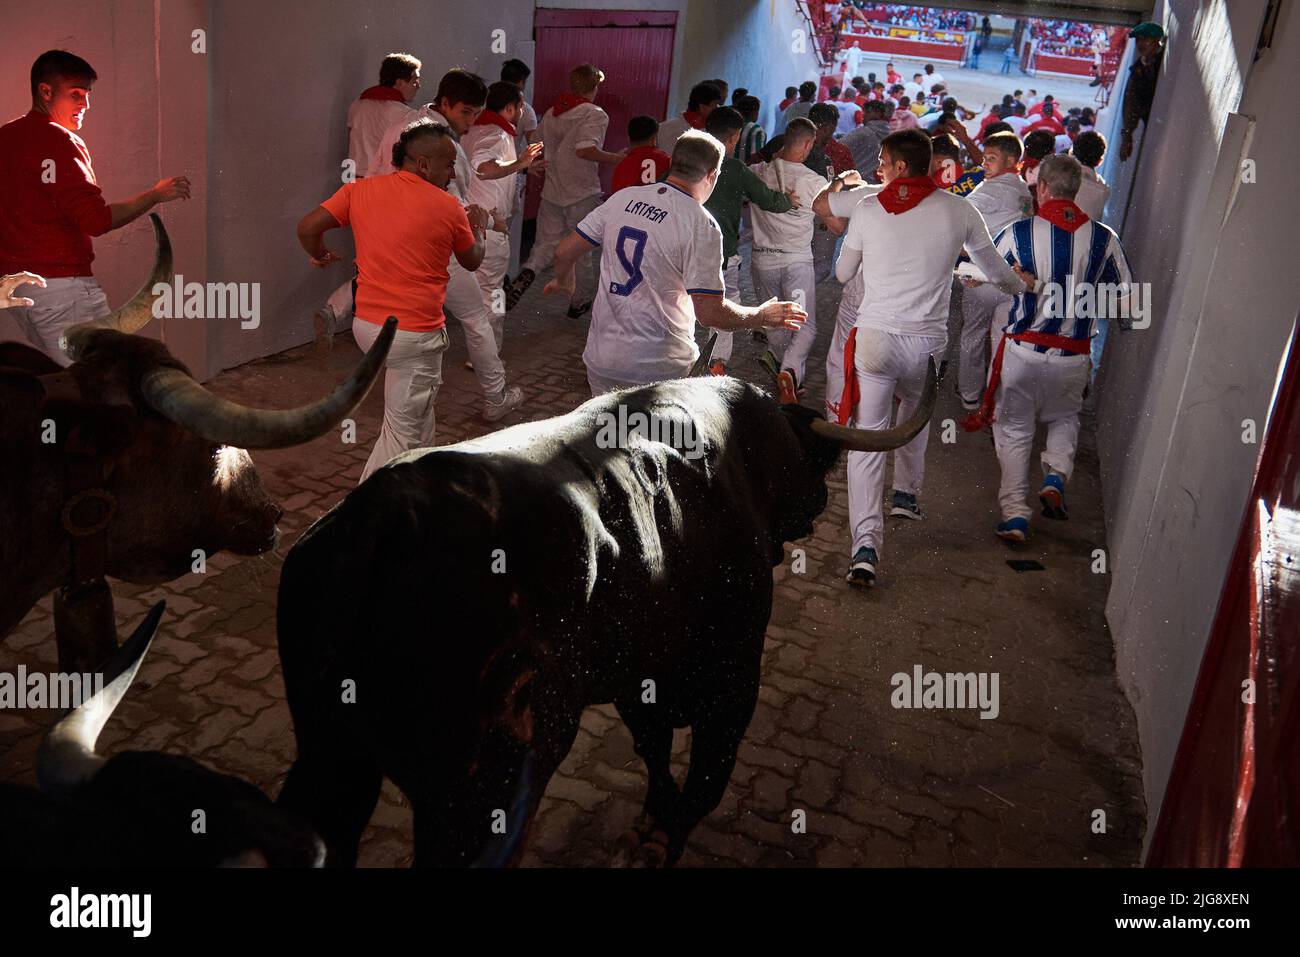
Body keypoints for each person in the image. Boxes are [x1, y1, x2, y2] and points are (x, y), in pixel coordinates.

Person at [831, 129, 1031, 586]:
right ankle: (906, 495)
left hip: (877, 338)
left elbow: (844, 274)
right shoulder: (960, 209)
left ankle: (864, 546)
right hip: (926, 343)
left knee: (868, 437)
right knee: (915, 415)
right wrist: (1024, 287)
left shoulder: (867, 208)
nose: (878, 168)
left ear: (901, 165)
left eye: (883, 160)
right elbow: (996, 269)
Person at [542, 130, 806, 394]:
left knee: (611, 432)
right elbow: (710, 313)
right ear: (712, 175)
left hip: (602, 362)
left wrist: (564, 280)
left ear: (673, 164)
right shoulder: (700, 224)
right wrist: (760, 316)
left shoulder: (623, 199)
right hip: (660, 368)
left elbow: (564, 252)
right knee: (658, 435)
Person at [297, 120, 487, 482]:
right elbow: (473, 259)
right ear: (423, 164)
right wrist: (477, 225)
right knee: (400, 433)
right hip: (413, 335)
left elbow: (307, 228)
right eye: (449, 164)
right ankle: (364, 515)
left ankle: (422, 486)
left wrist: (319, 254)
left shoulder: (359, 191)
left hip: (368, 329)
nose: (453, 172)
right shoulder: (448, 207)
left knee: (417, 415)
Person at [963, 155, 1133, 543]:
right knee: (1064, 417)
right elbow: (1131, 305)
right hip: (1074, 356)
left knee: (1014, 430)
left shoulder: (1019, 232)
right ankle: (1056, 473)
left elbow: (980, 274)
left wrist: (1025, 286)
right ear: (1075, 191)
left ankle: (1015, 516)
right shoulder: (1106, 239)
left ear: (1042, 189)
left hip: (1023, 353)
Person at [0, 50, 191, 366]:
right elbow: (96, 220)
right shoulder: (60, 141)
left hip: (20, 292)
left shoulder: (6, 137)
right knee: (98, 385)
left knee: (70, 382)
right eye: (76, 94)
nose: (85, 105)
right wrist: (155, 194)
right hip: (63, 291)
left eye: (87, 95)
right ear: (45, 91)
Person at [371, 70, 525, 419]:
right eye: (466, 112)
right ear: (445, 103)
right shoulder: (445, 145)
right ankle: (495, 397)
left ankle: (400, 400)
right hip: (436, 249)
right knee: (475, 318)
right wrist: (486, 225)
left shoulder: (403, 125)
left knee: (401, 322)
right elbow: (452, 208)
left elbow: (373, 176)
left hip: (395, 245)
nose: (470, 122)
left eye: (475, 113)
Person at [507, 64, 624, 316]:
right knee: (582, 251)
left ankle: (528, 271)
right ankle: (579, 302)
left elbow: (536, 142)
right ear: (594, 87)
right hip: (582, 192)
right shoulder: (595, 113)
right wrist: (616, 158)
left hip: (552, 190)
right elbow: (584, 149)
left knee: (544, 245)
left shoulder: (552, 112)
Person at [700, 107, 796, 375]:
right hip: (723, 252)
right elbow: (767, 199)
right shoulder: (734, 168)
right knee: (725, 303)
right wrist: (789, 200)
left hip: (684, 249)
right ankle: (716, 364)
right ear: (733, 138)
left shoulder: (686, 161)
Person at [748, 118, 834, 393]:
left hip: (762, 262)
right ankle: (790, 371)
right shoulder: (813, 181)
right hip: (797, 263)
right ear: (808, 144)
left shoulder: (757, 172)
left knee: (774, 319)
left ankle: (782, 370)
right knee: (804, 326)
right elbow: (837, 225)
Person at [955, 132, 1034, 409]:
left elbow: (958, 219)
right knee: (1002, 342)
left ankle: (970, 396)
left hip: (982, 278)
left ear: (1011, 161)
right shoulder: (1025, 192)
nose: (985, 164)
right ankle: (996, 402)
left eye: (991, 159)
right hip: (1012, 280)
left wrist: (966, 253)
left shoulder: (991, 189)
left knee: (973, 335)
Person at [462, 81, 544, 324]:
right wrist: (520, 163)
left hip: (468, 220)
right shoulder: (496, 134)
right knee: (492, 297)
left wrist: (523, 167)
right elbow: (484, 169)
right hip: (488, 226)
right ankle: (487, 359)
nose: (522, 112)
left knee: (471, 293)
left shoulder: (473, 130)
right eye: (520, 107)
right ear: (510, 108)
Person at [1120, 22, 1166, 161]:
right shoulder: (1137, 70)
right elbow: (1132, 104)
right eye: (1138, 40)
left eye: (1145, 39)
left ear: (1157, 41)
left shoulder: (1154, 64)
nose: (1140, 44)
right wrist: (1127, 135)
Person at [611, 115, 671, 194]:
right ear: (654, 139)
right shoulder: (667, 161)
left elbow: (617, 196)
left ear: (629, 138)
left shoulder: (623, 164)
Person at [658, 81, 724, 148]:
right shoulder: (665, 128)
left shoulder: (716, 134)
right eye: (714, 104)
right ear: (701, 106)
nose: (717, 108)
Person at [842, 100, 892, 178]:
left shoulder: (863, 132)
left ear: (878, 114)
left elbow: (839, 147)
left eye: (867, 112)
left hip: (855, 183)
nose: (864, 115)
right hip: (877, 185)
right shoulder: (891, 137)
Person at [734, 95, 767, 164]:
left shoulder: (730, 124)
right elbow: (756, 159)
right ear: (754, 112)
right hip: (744, 172)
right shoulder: (756, 130)